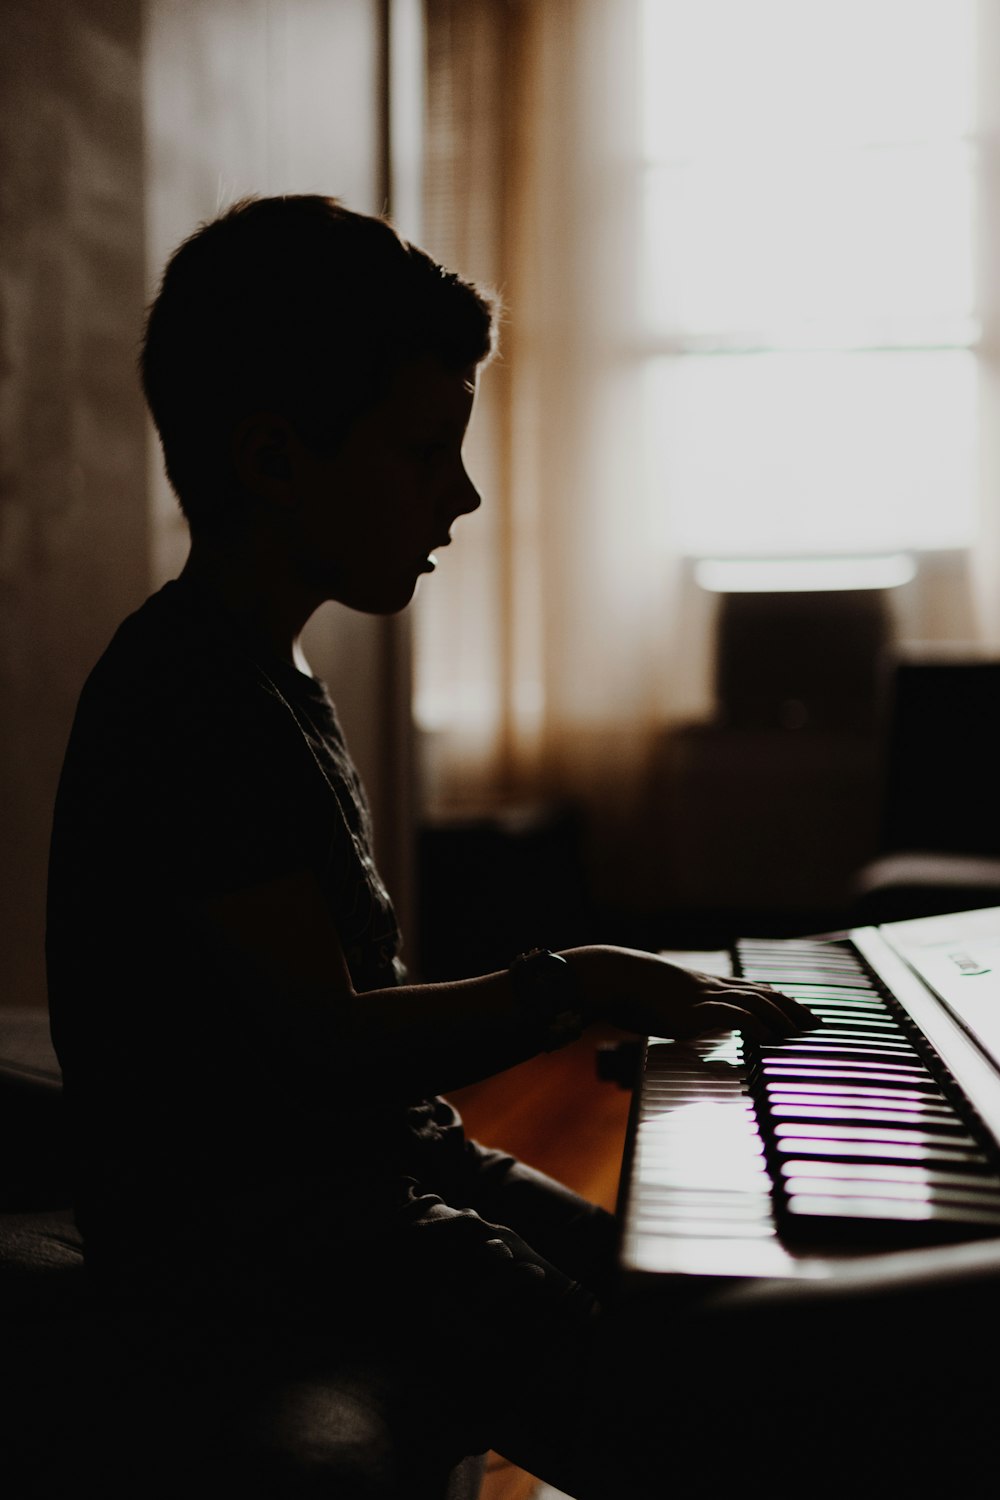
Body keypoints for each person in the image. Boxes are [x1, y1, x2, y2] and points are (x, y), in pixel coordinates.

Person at [45, 195, 819, 1498]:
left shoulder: (261, 671)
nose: (460, 495)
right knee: (715, 1416)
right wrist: (582, 981)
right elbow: (320, 1045)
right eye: (422, 453)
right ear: (276, 458)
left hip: (367, 1186)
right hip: (276, 1239)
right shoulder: (189, 699)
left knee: (722, 1303)